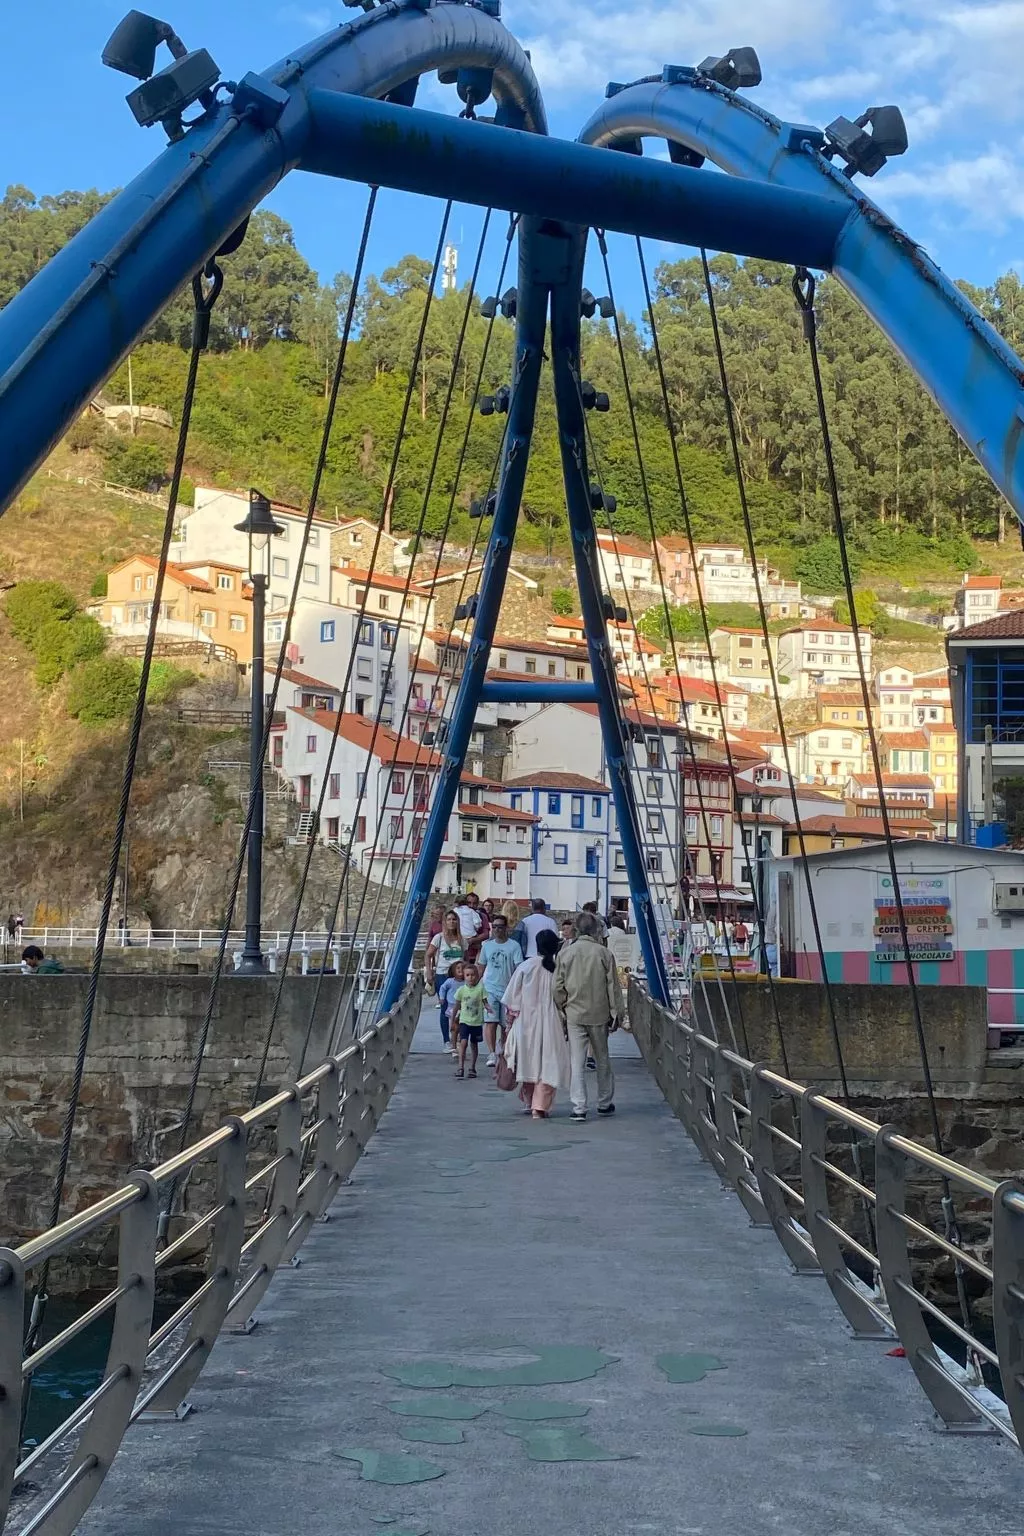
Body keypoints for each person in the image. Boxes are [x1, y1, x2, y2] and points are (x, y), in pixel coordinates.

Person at [553, 910, 623, 1122]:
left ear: (576, 929)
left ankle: (579, 1106)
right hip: (599, 1013)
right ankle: (604, 1102)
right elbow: (613, 987)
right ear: (595, 930)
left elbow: (557, 987)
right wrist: (617, 1014)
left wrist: (563, 1007)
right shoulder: (604, 954)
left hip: (574, 1013)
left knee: (577, 1061)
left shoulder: (566, 953)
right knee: (602, 1058)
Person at [501, 928, 571, 1119]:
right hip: (552, 1021)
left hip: (525, 1021)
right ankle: (539, 1106)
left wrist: (509, 1023)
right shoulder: (557, 969)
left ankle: (529, 1100)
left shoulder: (526, 966)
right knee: (548, 1064)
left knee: (528, 1061)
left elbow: (511, 998)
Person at [478, 914, 523, 1065]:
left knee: (505, 1025)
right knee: (490, 1021)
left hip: (507, 990)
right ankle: (491, 1053)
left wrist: (518, 988)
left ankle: (503, 1050)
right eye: (495, 927)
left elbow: (518, 968)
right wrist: (476, 986)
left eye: (500, 927)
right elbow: (481, 966)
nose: (497, 930)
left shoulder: (514, 946)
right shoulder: (487, 946)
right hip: (490, 988)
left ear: (506, 928)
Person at [452, 961, 486, 1079]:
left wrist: (489, 1009)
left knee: (474, 1044)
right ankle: (460, 1067)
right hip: (464, 1021)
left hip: (476, 1022)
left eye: (473, 975)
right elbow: (456, 1006)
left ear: (477, 976)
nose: (470, 978)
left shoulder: (480, 989)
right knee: (463, 1042)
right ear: (464, 976)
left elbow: (485, 1002)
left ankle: (472, 1068)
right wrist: (452, 1020)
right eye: (467, 975)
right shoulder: (461, 990)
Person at [425, 910, 463, 991]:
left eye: (454, 919)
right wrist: (429, 972)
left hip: (459, 976)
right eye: (449, 919)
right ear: (445, 922)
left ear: (457, 922)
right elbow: (428, 955)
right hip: (443, 974)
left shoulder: (462, 939)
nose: (451, 922)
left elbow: (466, 958)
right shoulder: (439, 937)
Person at [436, 960, 464, 1055]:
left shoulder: (466, 982)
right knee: (454, 1026)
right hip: (452, 1007)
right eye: (458, 968)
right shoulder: (450, 981)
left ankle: (458, 1045)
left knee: (461, 1027)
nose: (460, 970)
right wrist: (442, 998)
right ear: (453, 971)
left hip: (463, 1007)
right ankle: (453, 1046)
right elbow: (442, 988)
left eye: (462, 968)